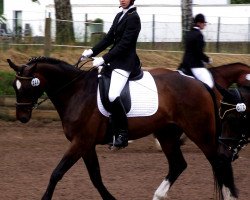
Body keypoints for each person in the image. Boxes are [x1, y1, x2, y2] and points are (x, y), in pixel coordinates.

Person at [82, 0, 141, 148]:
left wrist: (103, 59)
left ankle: (123, 134)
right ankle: (107, 127)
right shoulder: (119, 15)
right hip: (114, 61)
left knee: (113, 95)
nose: (122, 0)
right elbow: (108, 39)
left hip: (125, 63)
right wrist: (92, 51)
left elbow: (124, 44)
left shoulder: (134, 17)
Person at [179, 13, 214, 88]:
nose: (204, 25)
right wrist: (208, 59)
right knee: (209, 84)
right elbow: (199, 53)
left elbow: (190, 50)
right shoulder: (199, 35)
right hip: (195, 65)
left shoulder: (188, 33)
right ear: (198, 23)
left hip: (184, 64)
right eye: (203, 23)